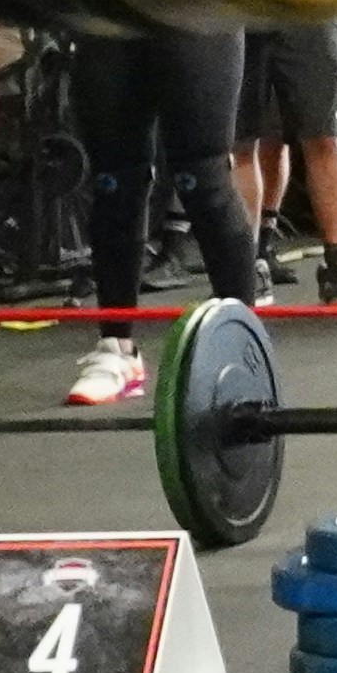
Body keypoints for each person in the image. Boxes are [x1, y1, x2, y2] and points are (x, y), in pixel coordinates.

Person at [63, 24, 261, 398]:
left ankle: (244, 352)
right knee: (114, 181)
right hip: (109, 14)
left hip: (195, 9)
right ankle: (117, 349)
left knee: (203, 176)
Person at [233, 17, 337, 304]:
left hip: (309, 9)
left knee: (325, 135)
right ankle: (247, 263)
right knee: (241, 142)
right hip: (241, 12)